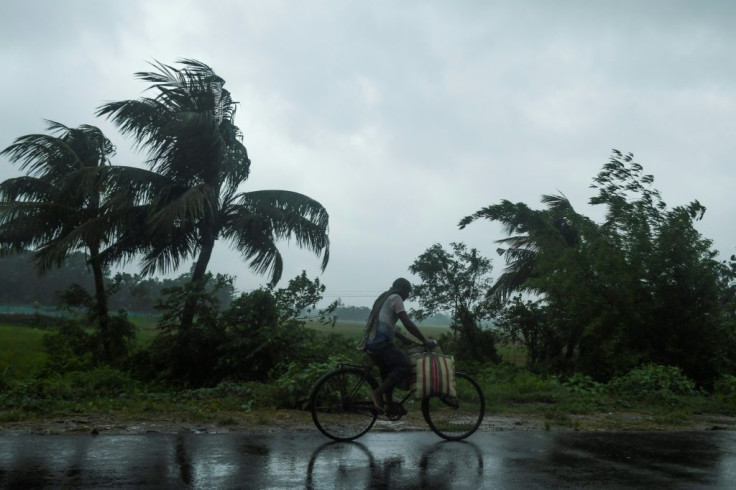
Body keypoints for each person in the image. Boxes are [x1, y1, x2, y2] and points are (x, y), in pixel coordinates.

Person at [359, 278, 434, 412]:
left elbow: (387, 325)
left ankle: (389, 405)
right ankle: (377, 393)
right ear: (402, 289)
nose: (408, 295)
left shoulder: (385, 298)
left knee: (388, 372)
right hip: (380, 343)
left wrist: (405, 338)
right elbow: (407, 322)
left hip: (372, 343)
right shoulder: (396, 298)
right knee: (404, 365)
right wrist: (424, 340)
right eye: (408, 292)